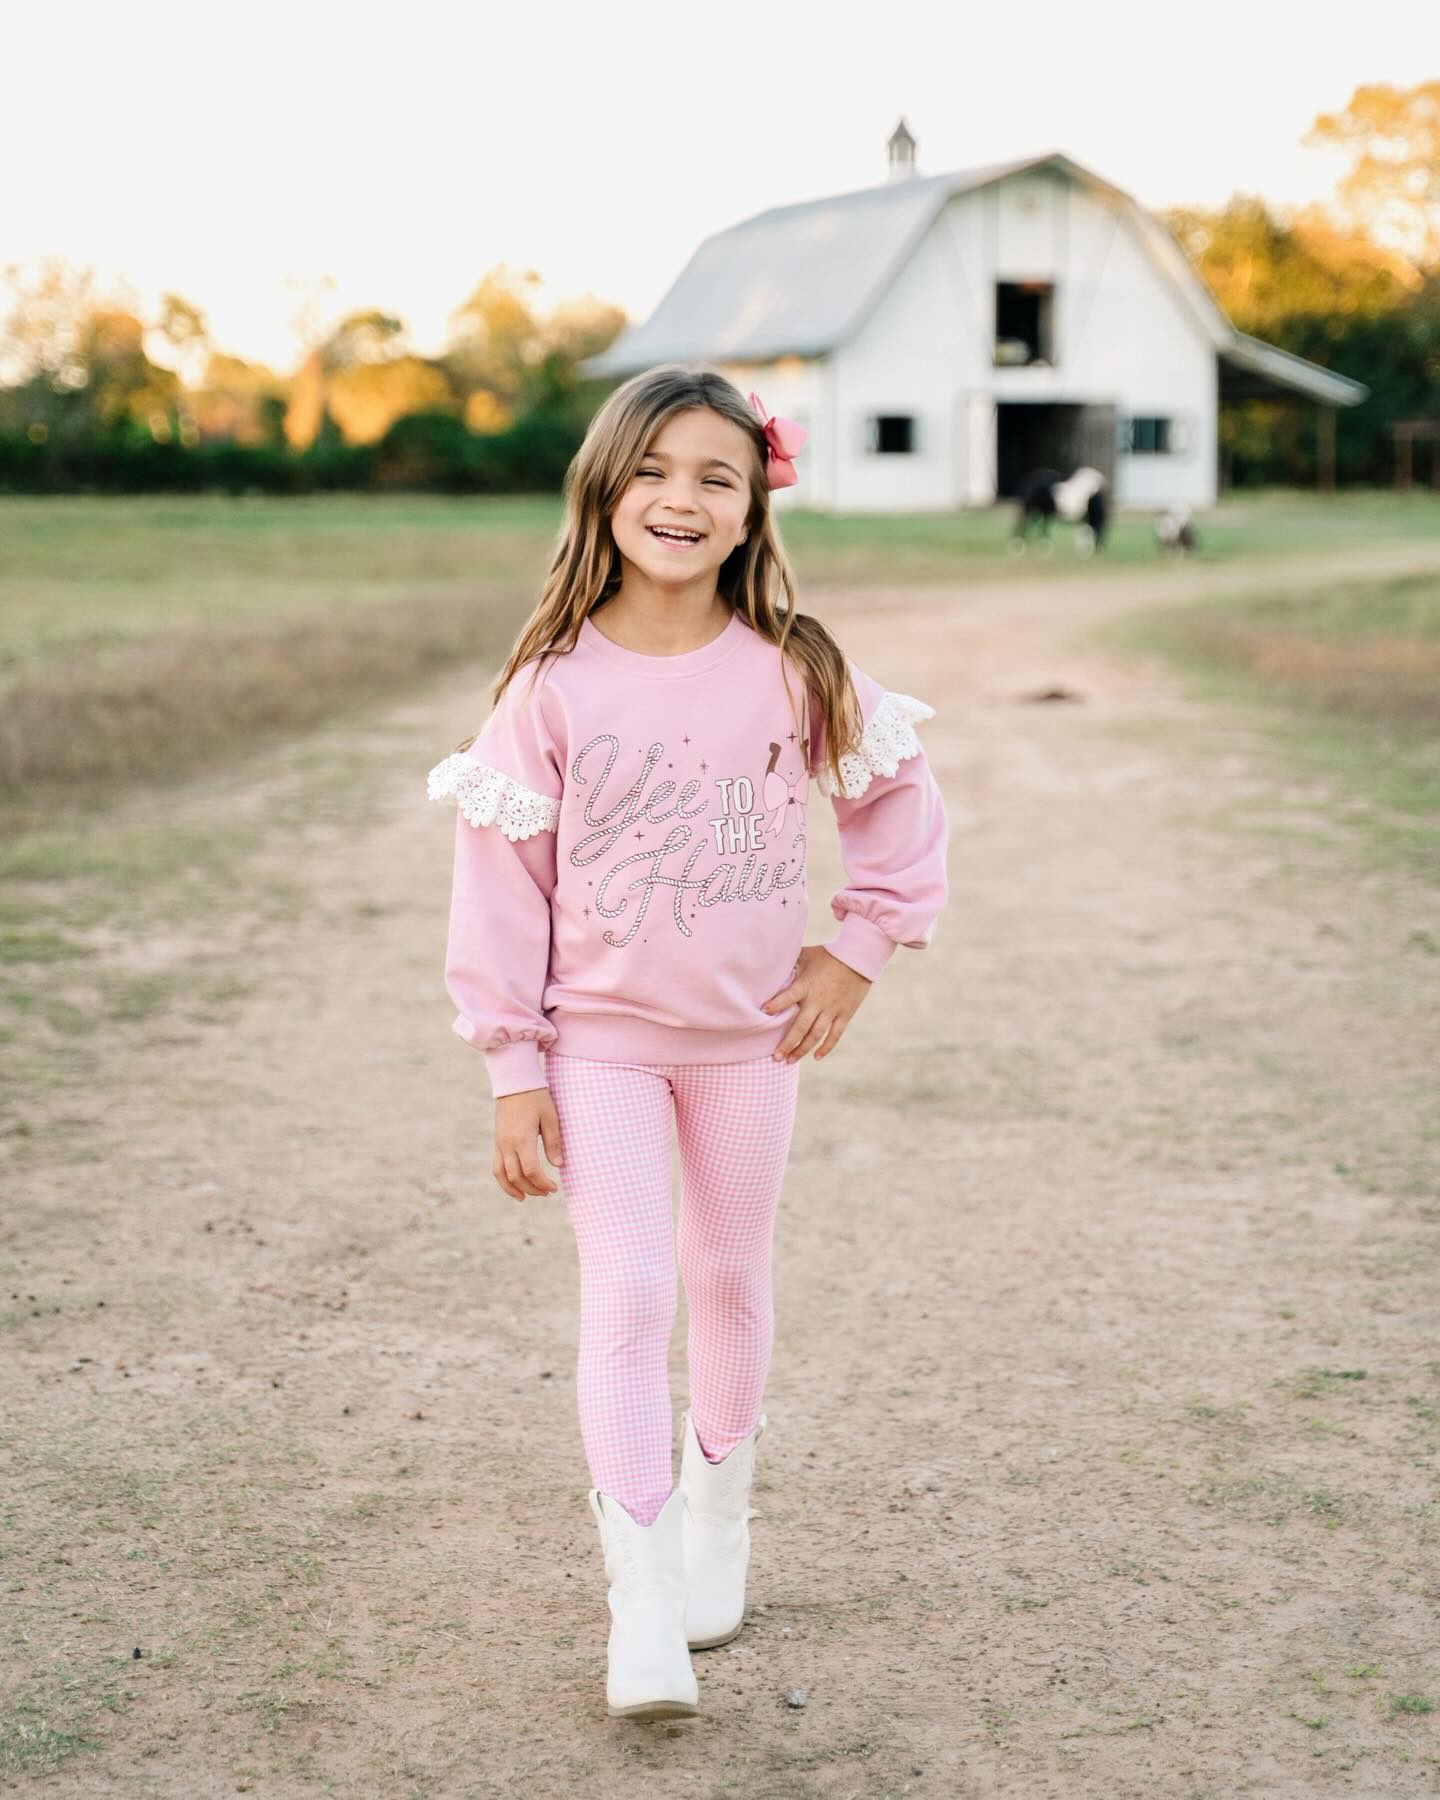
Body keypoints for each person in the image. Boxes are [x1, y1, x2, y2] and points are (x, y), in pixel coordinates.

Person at [426, 363, 949, 1720]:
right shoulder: (549, 688)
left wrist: (862, 946)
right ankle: (642, 1597)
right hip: (599, 1044)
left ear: (752, 503)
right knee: (630, 1292)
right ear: (605, 491)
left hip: (748, 1046)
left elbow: (895, 801)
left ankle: (721, 1523)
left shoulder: (796, 668)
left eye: (716, 476)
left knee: (728, 1270)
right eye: (654, 471)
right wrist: (511, 1071)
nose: (682, 498)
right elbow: (500, 894)